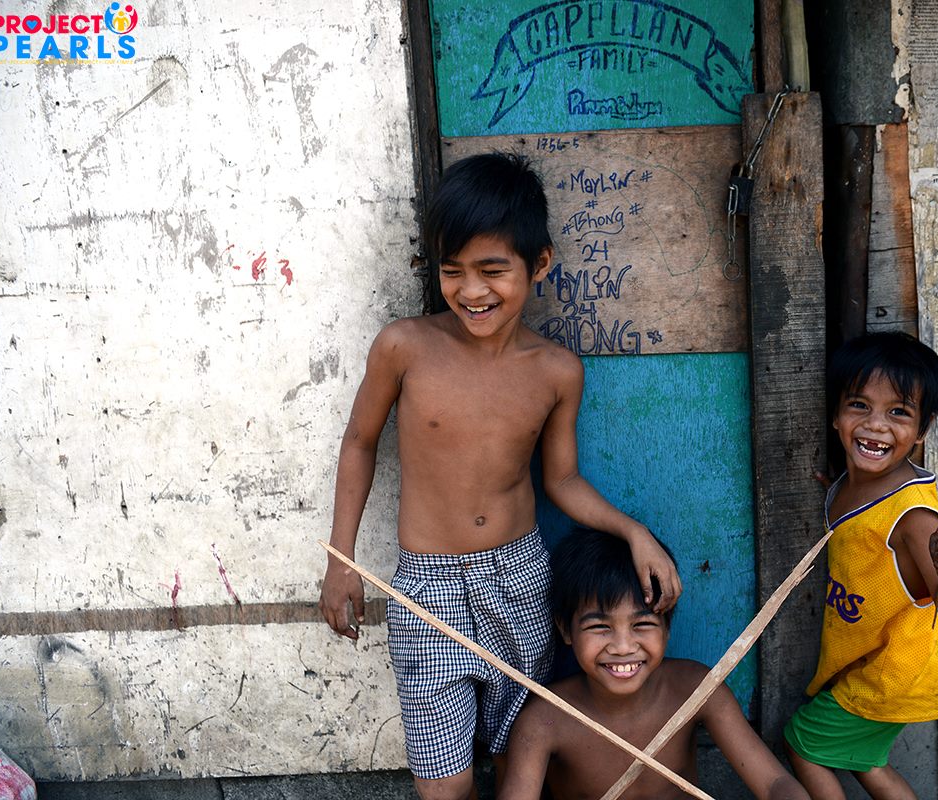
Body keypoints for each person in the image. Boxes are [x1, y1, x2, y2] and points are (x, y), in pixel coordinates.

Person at [318, 152, 681, 800]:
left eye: (492, 271)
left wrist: (635, 533)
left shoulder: (556, 370)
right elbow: (360, 442)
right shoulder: (404, 347)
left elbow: (562, 481)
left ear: (538, 264)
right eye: (452, 270)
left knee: (522, 758)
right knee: (446, 783)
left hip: (520, 578)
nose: (471, 291)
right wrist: (340, 560)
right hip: (427, 591)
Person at [783, 332, 938, 800]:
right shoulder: (855, 482)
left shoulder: (915, 517)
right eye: (859, 406)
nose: (875, 425)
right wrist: (836, 489)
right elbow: (859, 518)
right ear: (835, 414)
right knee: (866, 761)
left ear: (924, 428)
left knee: (803, 744)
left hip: (891, 674)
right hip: (868, 662)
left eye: (898, 412)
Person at [501, 530, 809, 800]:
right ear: (566, 630)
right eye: (599, 627)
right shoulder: (544, 721)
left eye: (642, 624)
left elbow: (774, 783)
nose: (623, 647)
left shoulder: (697, 690)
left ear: (667, 627)